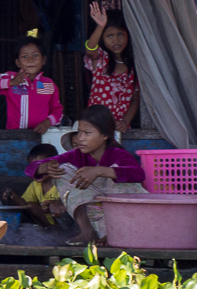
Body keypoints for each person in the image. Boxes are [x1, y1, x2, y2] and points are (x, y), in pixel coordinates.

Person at [24, 104, 147, 245]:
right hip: (97, 217)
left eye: (87, 133)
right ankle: (88, 231)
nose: (80, 138)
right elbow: (30, 168)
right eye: (79, 132)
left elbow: (139, 174)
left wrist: (99, 171)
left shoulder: (118, 154)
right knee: (63, 169)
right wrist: (45, 167)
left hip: (128, 221)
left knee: (118, 172)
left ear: (105, 135)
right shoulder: (75, 155)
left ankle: (115, 233)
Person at [0, 36, 64, 135]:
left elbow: (58, 111)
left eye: (35, 55)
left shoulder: (49, 84)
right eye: (24, 56)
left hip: (42, 136)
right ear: (18, 63)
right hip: (15, 136)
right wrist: (10, 82)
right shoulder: (10, 78)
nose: (30, 60)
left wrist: (48, 122)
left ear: (43, 60)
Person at [85, 2, 139, 133]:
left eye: (120, 34)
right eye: (109, 35)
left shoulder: (133, 67)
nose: (116, 40)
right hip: (95, 126)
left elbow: (135, 100)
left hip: (119, 129)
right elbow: (90, 49)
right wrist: (101, 26)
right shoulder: (101, 59)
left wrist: (125, 122)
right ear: (102, 38)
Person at [3, 142, 63, 225]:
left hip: (64, 223)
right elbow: (25, 205)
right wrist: (14, 198)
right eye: (33, 168)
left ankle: (54, 229)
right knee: (30, 206)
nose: (36, 172)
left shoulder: (62, 183)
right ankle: (48, 229)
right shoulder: (35, 185)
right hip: (45, 222)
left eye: (40, 167)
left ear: (54, 164)